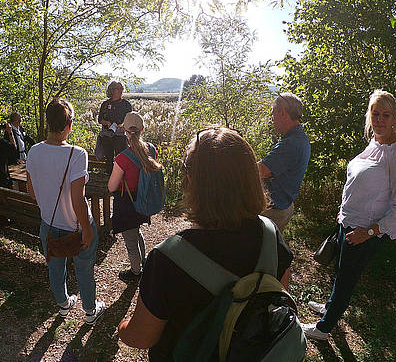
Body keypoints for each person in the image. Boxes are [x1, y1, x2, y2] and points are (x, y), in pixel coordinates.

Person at [118, 127, 293, 359]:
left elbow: (140, 337)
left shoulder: (167, 259)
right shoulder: (271, 237)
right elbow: (278, 299)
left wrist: (123, 325)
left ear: (193, 181)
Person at [302, 90, 396, 341]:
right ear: (369, 115)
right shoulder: (374, 145)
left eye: (386, 115)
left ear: (395, 118)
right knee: (340, 272)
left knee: (346, 280)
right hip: (348, 223)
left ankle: (323, 329)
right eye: (375, 114)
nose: (380, 120)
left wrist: (370, 232)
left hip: (365, 231)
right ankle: (331, 307)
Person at [26, 98, 106, 325]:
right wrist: (87, 230)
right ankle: (90, 311)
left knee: (55, 268)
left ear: (48, 123)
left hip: (49, 224)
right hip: (76, 226)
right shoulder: (77, 154)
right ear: (69, 123)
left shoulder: (33, 152)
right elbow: (78, 199)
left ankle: (63, 304)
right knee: (84, 269)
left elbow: (32, 192)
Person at [107, 111, 162, 281]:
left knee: (131, 240)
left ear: (125, 131)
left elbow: (111, 187)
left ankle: (136, 272)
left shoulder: (122, 158)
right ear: (142, 129)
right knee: (136, 233)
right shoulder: (151, 150)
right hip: (144, 199)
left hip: (128, 203)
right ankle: (143, 262)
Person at [258, 92, 310, 231]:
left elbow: (262, 171)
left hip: (274, 211)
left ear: (283, 114)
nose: (272, 119)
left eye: (273, 114)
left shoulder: (292, 143)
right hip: (283, 205)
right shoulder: (299, 138)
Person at [96, 81, 132, 172]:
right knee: (109, 159)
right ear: (112, 90)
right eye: (118, 88)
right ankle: (108, 181)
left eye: (122, 89)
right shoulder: (105, 104)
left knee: (121, 159)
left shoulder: (126, 104)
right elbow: (99, 119)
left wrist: (122, 125)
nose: (121, 91)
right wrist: (106, 122)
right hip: (106, 136)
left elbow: (129, 119)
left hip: (120, 136)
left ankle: (120, 181)